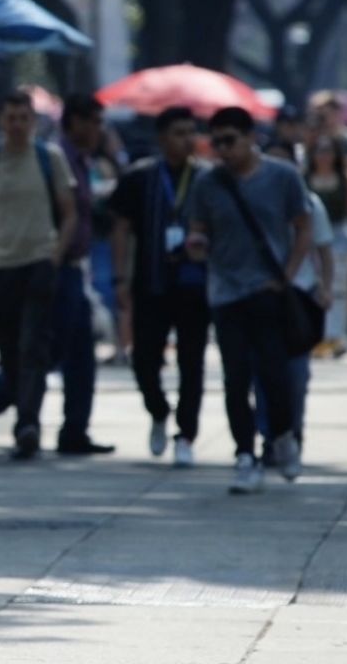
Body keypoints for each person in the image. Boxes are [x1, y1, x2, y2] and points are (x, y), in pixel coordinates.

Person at [185, 106, 311, 493]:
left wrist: (287, 276)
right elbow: (197, 227)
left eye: (230, 141)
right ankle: (245, 454)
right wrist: (196, 243)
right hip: (225, 293)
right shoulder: (208, 182)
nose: (223, 150)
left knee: (274, 374)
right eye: (216, 143)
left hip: (267, 290)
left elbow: (303, 226)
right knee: (235, 377)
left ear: (251, 137)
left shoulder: (282, 176)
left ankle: (283, 435)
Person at [0, 91, 78, 460]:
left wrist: (56, 254)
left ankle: (28, 424)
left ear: (33, 122)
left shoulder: (49, 157)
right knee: (9, 348)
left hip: (38, 262)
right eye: (11, 118)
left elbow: (69, 211)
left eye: (23, 118)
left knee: (33, 347)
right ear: (2, 120)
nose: (16, 125)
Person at [109, 106, 211, 467]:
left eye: (191, 132)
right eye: (179, 133)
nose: (187, 140)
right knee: (144, 359)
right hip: (150, 283)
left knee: (192, 362)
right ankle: (157, 409)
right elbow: (120, 227)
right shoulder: (140, 178)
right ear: (162, 138)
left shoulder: (208, 179)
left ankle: (186, 434)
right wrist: (120, 278)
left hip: (195, 286)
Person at [255, 188, 335, 464]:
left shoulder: (309, 202)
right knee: (262, 371)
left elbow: (324, 249)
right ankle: (270, 437)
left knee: (296, 374)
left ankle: (293, 433)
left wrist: (326, 287)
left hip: (299, 296)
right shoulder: (251, 194)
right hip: (257, 292)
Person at [305, 135, 347, 357]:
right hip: (311, 237)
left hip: (338, 235)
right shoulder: (305, 178)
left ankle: (335, 335)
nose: (324, 156)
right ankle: (315, 335)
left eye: (329, 151)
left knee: (339, 287)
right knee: (314, 284)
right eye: (320, 151)